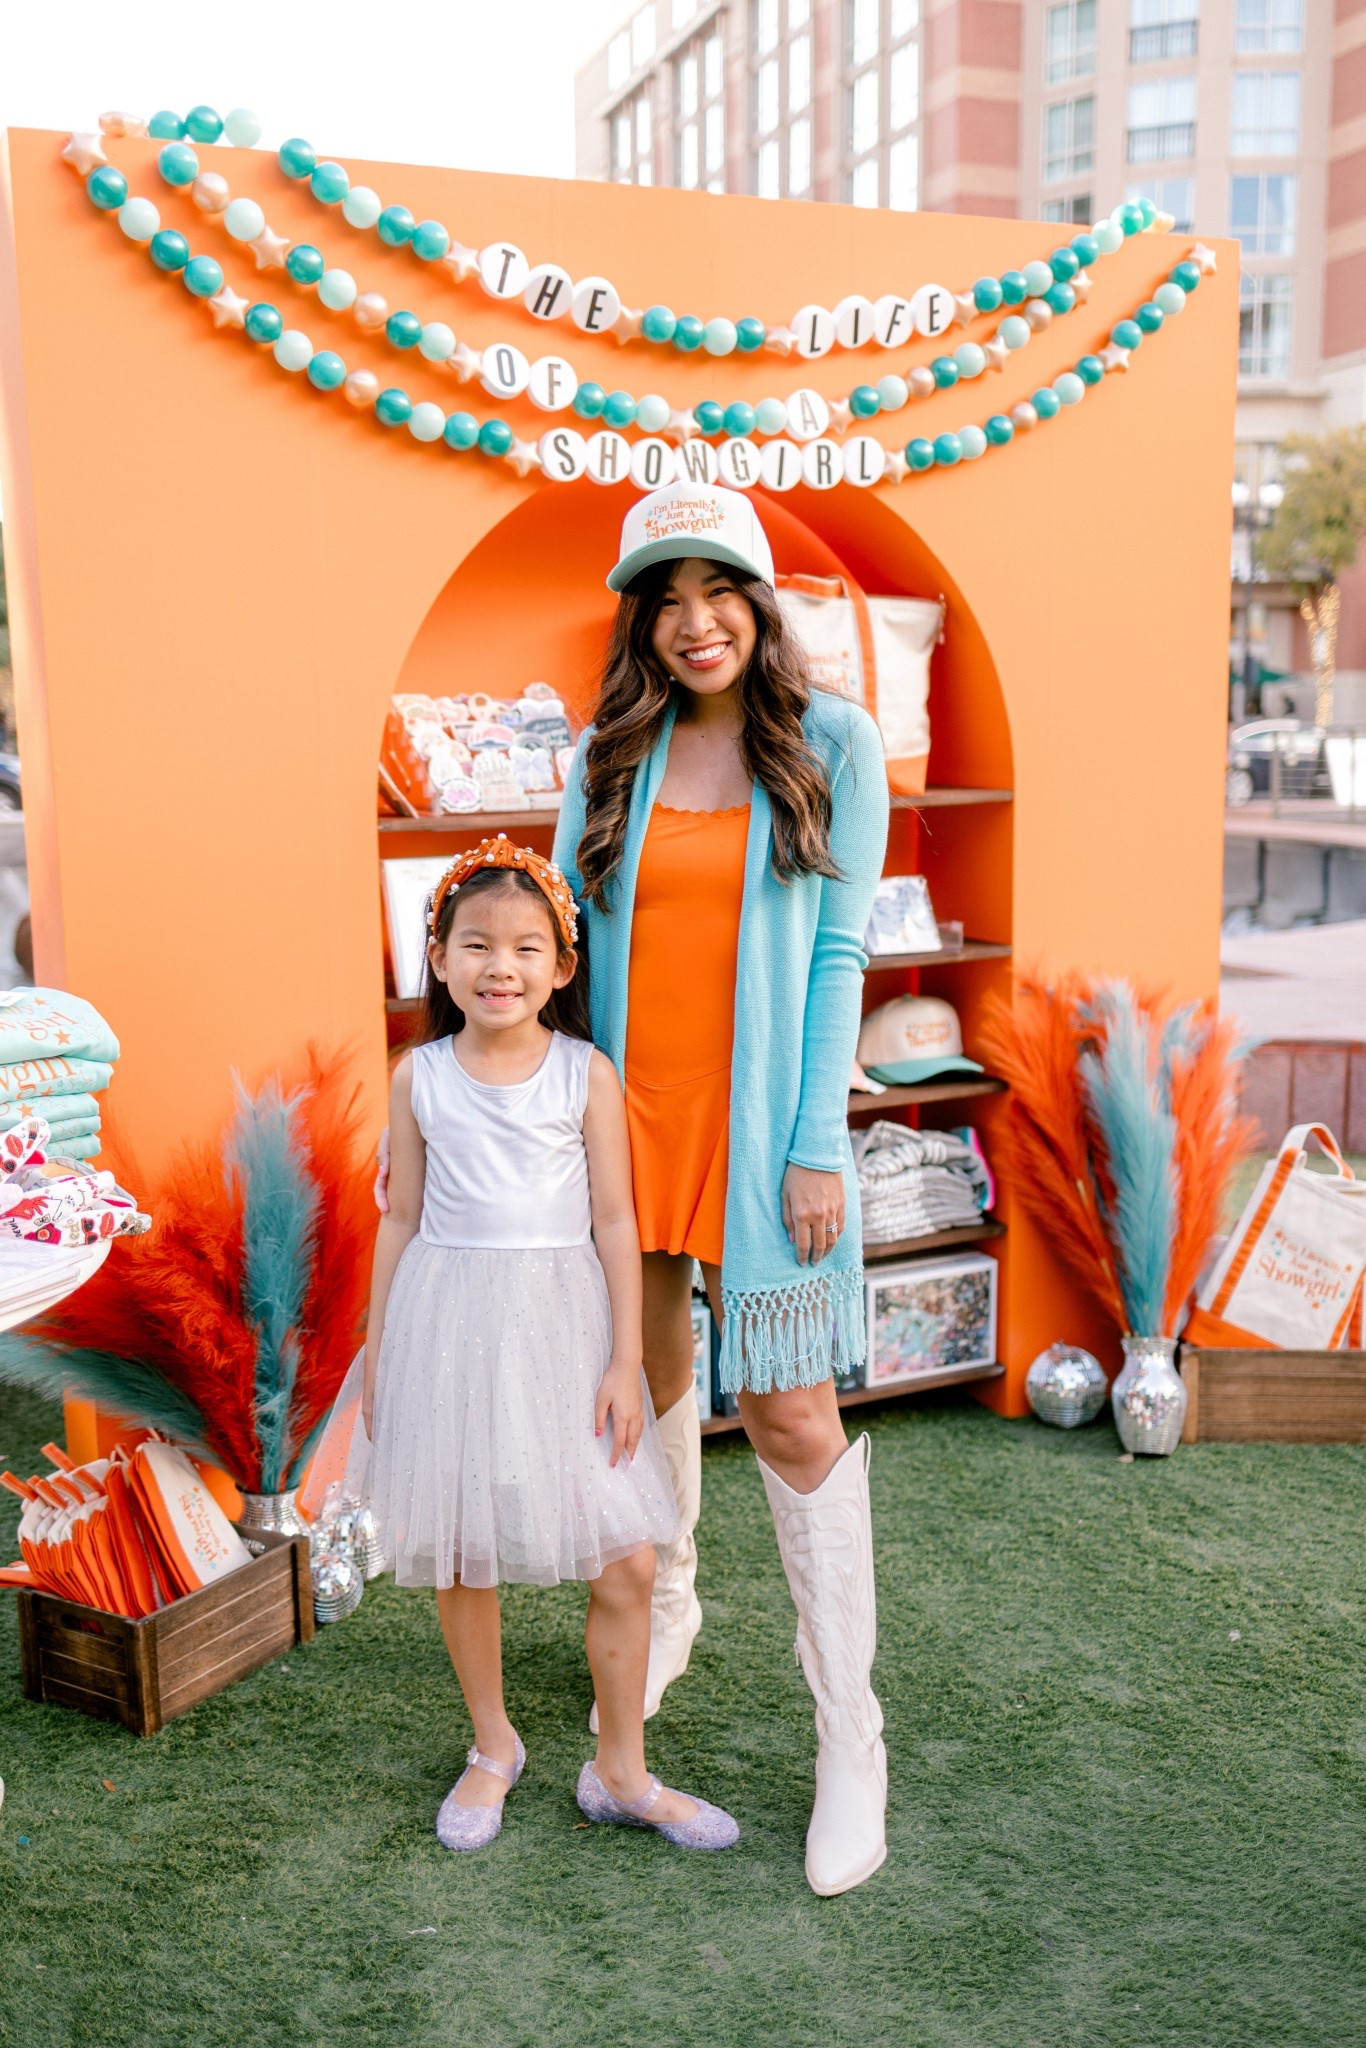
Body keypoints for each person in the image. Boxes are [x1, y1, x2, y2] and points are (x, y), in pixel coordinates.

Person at [552, 482, 891, 1898]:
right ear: (644, 619)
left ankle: (847, 1734)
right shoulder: (607, 753)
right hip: (627, 1133)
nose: (695, 623)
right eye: (667, 599)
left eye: (720, 592)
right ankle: (673, 1595)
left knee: (797, 1413)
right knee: (654, 1382)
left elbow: (836, 956)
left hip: (767, 1143)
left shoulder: (831, 743)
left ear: (759, 603)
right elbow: (565, 950)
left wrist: (816, 1142)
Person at [364, 833, 738, 1855]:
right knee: (462, 1541)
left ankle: (621, 1769)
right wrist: (378, 1345)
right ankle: (494, 1743)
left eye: (528, 948)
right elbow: (398, 1217)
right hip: (448, 1320)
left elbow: (615, 1221)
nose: (501, 966)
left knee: (624, 1554)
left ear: (563, 967)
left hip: (567, 1327)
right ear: (436, 957)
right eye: (476, 944)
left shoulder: (584, 1074)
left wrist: (625, 1355)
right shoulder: (419, 1076)